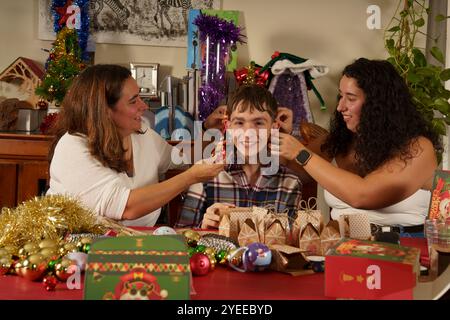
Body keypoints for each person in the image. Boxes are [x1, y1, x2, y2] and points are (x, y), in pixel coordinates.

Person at [275, 58, 442, 235]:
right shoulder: (336, 142)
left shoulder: (418, 148)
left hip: (401, 248)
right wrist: (280, 133)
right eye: (341, 96)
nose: (340, 107)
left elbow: (362, 195)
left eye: (351, 98)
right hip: (339, 244)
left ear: (377, 104)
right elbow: (288, 173)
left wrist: (302, 153)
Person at [47, 64, 224, 226]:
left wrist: (210, 131)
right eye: (133, 101)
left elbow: (182, 157)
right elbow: (125, 208)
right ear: (103, 111)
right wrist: (190, 177)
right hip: (81, 251)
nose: (144, 106)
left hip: (136, 245)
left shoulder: (142, 135)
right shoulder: (73, 147)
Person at [176, 84, 302, 229]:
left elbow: (292, 242)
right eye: (239, 122)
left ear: (274, 127)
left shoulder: (290, 182)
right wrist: (203, 227)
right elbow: (182, 234)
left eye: (259, 122)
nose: (248, 131)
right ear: (228, 126)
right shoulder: (204, 173)